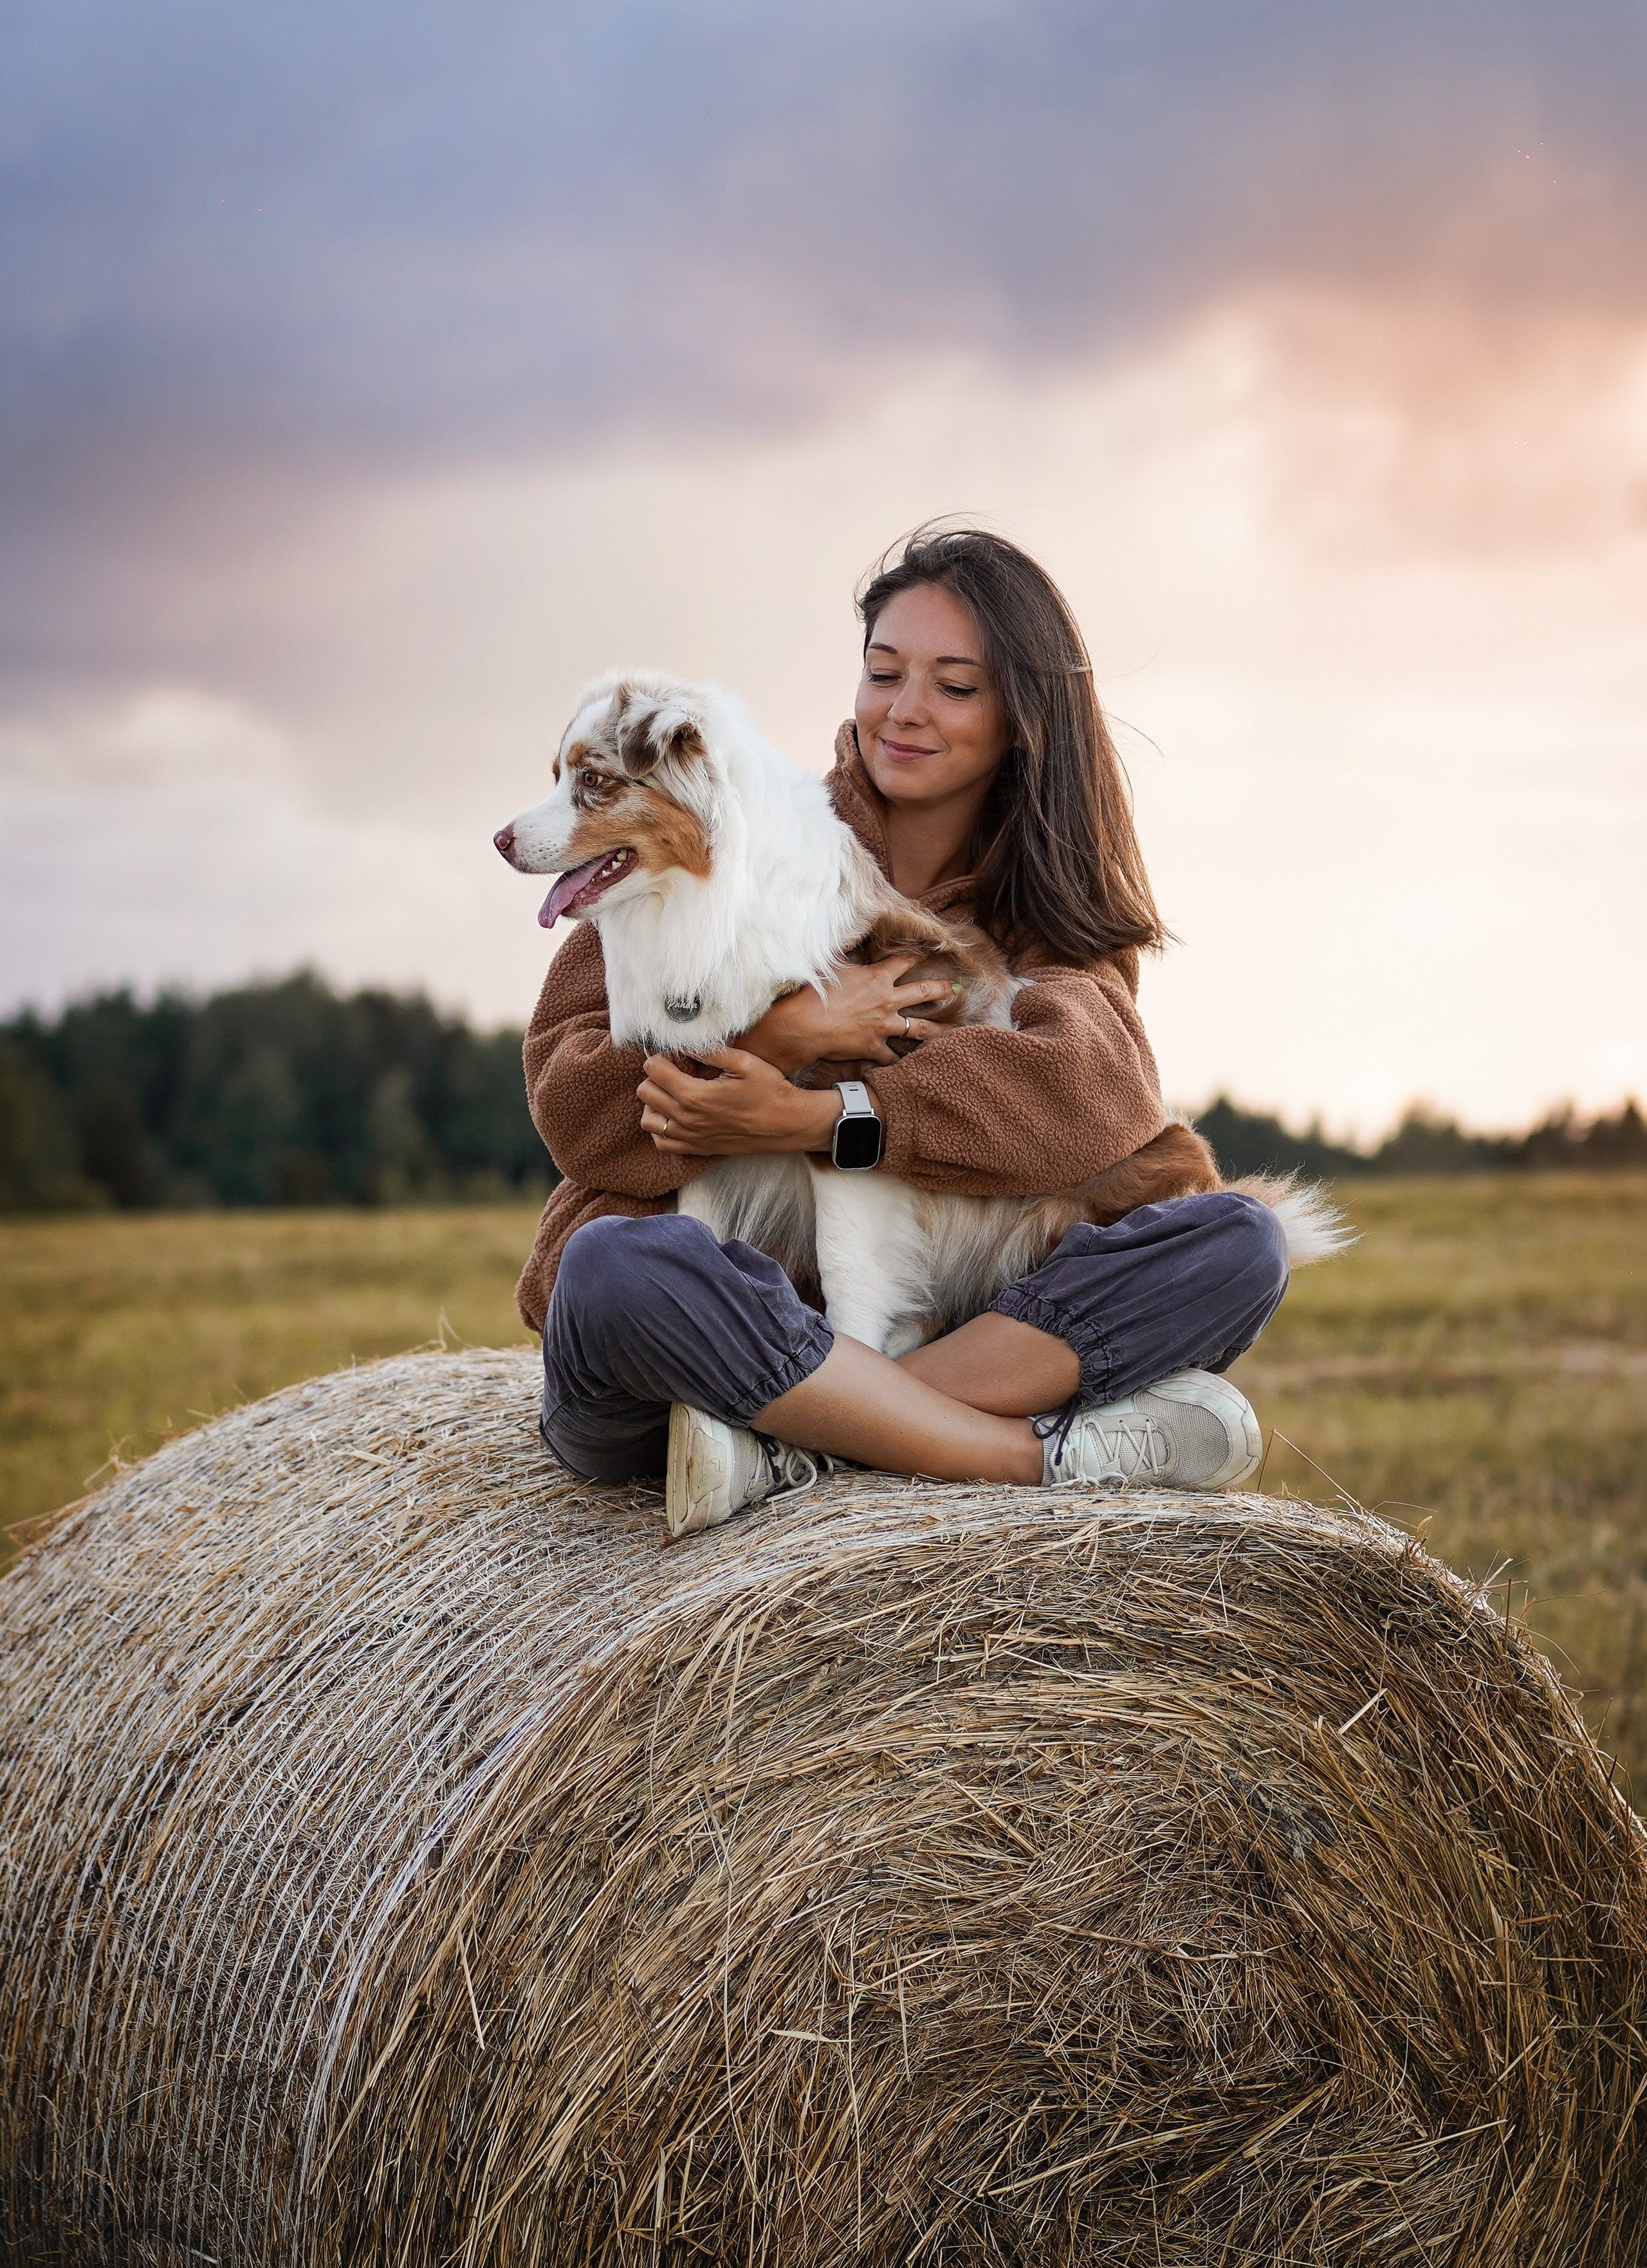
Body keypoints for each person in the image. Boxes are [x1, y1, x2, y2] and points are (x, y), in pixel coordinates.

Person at [514, 528, 1289, 1535]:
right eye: (885, 673)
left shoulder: (1050, 914)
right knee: (611, 1269)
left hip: (929, 1321)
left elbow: (1085, 1094)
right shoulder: (737, 827)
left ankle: (801, 1442)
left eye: (955, 686)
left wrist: (824, 1116)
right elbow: (574, 1104)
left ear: (1021, 717)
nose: (905, 711)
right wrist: (782, 1034)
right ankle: (1015, 1454)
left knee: (1240, 1244)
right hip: (685, 1356)